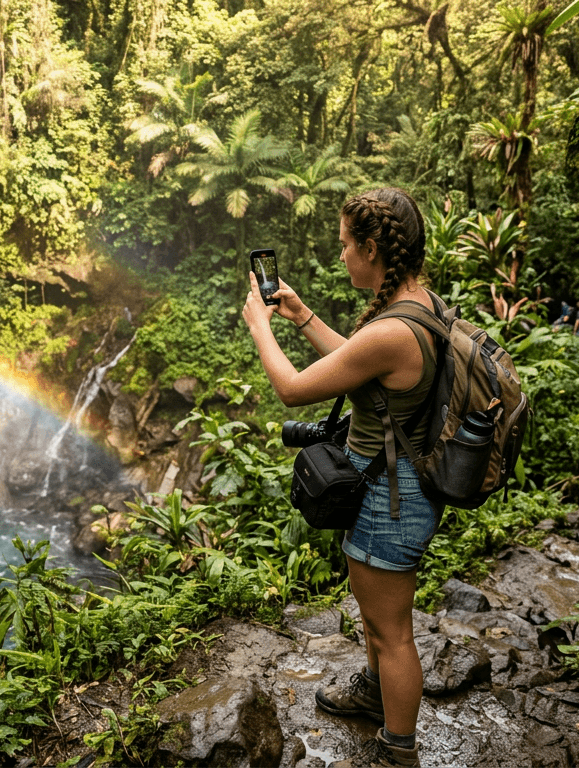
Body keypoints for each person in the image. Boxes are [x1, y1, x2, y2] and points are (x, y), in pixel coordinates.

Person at [242, 187, 439, 768]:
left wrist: (261, 327)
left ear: (373, 248)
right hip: (395, 488)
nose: (342, 256)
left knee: (392, 630)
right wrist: (301, 316)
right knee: (377, 612)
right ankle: (375, 694)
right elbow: (359, 367)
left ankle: (396, 752)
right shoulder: (414, 305)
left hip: (391, 497)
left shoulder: (392, 330)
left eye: (346, 245)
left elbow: (294, 388)